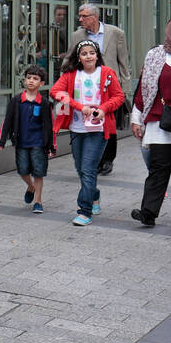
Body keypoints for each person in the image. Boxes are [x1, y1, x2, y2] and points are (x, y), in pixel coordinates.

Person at [50, 40, 125, 226]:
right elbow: (55, 91)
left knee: (88, 169)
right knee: (80, 169)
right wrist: (78, 106)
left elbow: (119, 96)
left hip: (98, 129)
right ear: (79, 57)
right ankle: (94, 194)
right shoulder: (71, 75)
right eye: (84, 53)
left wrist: (104, 109)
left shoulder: (107, 73)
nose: (89, 56)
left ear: (98, 55)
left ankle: (84, 211)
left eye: (92, 52)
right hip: (77, 128)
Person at [129, 16, 171, 227]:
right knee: (158, 169)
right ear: (169, 32)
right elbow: (144, 89)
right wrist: (137, 119)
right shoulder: (155, 55)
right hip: (158, 120)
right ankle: (148, 212)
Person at [68, 3, 131, 176]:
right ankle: (92, 160)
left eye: (83, 16)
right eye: (79, 16)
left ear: (94, 17)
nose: (80, 19)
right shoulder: (77, 35)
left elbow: (123, 62)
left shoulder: (116, 33)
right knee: (89, 123)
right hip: (85, 86)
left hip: (108, 87)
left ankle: (108, 160)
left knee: (108, 123)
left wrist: (124, 89)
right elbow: (69, 59)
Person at [0, 64, 55, 213]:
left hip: (39, 143)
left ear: (41, 84)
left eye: (35, 79)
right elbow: (8, 121)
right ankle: (30, 187)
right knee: (23, 170)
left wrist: (51, 146)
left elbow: (50, 126)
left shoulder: (44, 103)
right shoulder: (16, 101)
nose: (31, 81)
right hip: (22, 142)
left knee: (38, 172)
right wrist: (2, 140)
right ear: (24, 81)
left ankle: (38, 201)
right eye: (28, 78)